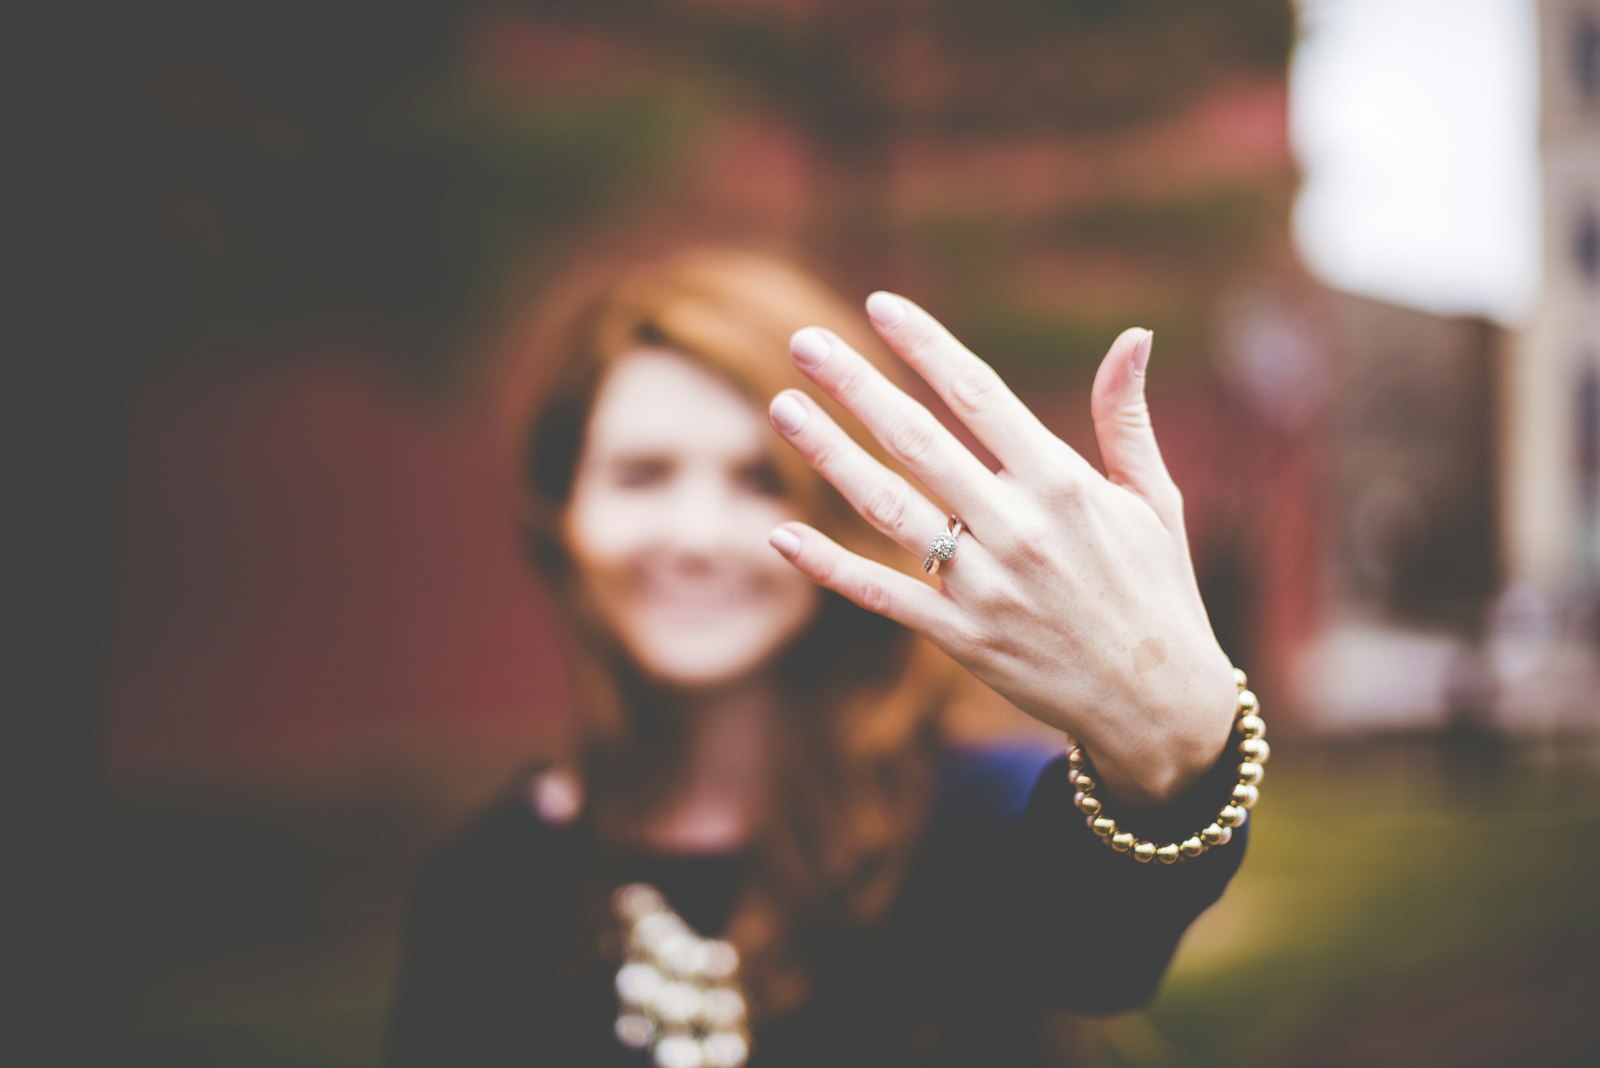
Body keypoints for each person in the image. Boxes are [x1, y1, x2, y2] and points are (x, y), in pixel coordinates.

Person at [383, 247, 1264, 1067]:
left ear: (851, 507)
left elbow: (1102, 944)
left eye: (761, 476)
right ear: (562, 513)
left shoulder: (970, 821)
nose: (696, 537)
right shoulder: (485, 888)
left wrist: (1175, 754)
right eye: (643, 474)